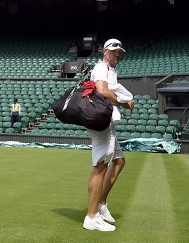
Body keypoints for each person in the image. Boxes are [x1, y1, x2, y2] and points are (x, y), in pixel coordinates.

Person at [83, 38, 135, 232]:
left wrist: (124, 98)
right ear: (105, 52)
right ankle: (91, 217)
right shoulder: (100, 67)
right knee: (100, 167)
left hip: (107, 123)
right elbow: (103, 91)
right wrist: (123, 102)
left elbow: (111, 89)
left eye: (119, 51)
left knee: (119, 161)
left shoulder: (112, 71)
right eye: (114, 50)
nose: (117, 53)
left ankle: (101, 203)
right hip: (100, 121)